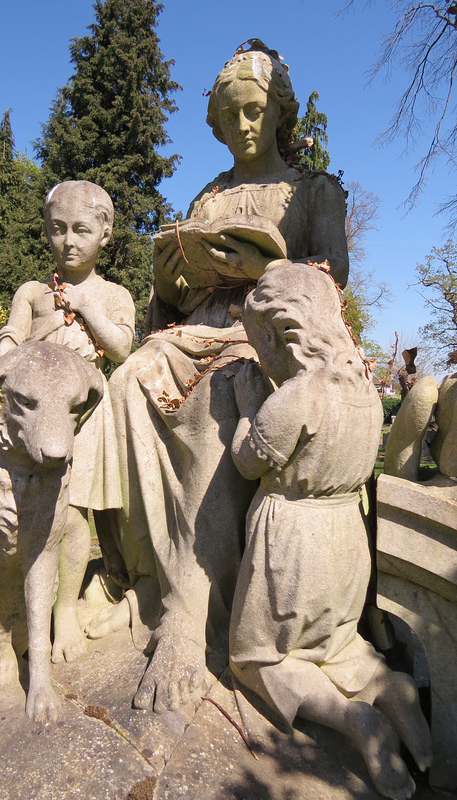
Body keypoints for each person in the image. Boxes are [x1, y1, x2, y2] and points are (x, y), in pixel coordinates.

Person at [90, 40, 349, 714]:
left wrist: (270, 263)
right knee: (127, 383)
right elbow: (172, 292)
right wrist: (175, 276)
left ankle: (188, 612)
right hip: (197, 324)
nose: (244, 126)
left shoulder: (315, 190)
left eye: (256, 111)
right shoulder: (209, 195)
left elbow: (333, 277)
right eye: (230, 115)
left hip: (265, 336)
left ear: (280, 111)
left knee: (214, 408)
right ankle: (131, 568)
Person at [230, 262, 431, 800]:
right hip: (347, 536)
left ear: (278, 334)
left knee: (260, 657)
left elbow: (249, 463)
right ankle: (392, 691)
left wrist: (250, 407)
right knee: (337, 642)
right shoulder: (364, 387)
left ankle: (351, 719)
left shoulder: (298, 395)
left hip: (294, 542)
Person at [0, 180, 135, 663]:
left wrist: (89, 308)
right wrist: (4, 359)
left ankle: (64, 615)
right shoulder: (33, 292)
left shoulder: (115, 295)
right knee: (38, 514)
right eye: (58, 230)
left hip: (89, 417)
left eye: (80, 230)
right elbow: (11, 336)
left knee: (74, 515)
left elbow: (121, 349)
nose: (69, 242)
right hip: (37, 417)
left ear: (105, 233)